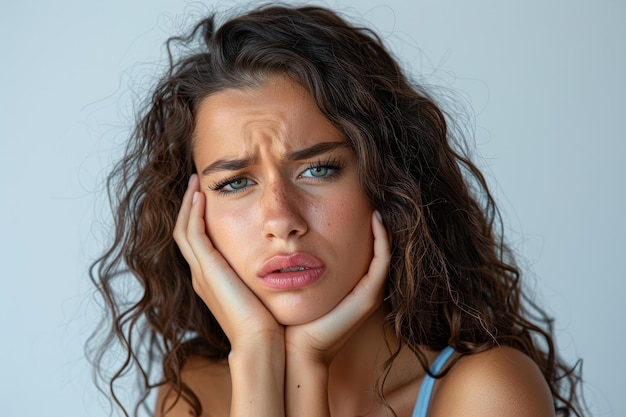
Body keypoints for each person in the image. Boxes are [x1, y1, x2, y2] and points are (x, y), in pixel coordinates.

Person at [89, 4, 584, 417]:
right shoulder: (194, 391)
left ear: (389, 183)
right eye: (236, 182)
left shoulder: (487, 392)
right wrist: (259, 353)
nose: (281, 220)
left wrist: (305, 366)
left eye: (318, 170)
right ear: (195, 221)